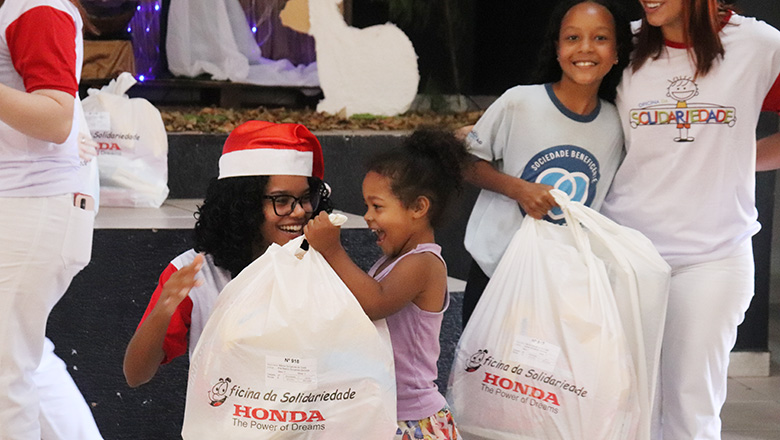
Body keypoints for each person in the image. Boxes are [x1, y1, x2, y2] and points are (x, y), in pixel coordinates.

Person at [599, 1, 780, 438]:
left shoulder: (757, 44)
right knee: (621, 409)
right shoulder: (625, 44)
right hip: (626, 255)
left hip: (712, 259)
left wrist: (736, 158)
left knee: (689, 409)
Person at [459, 0, 633, 326]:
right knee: (479, 371)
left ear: (618, 51)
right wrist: (518, 189)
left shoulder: (616, 123)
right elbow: (466, 162)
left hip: (562, 283)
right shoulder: (520, 102)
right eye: (572, 38)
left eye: (600, 38)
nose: (585, 48)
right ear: (557, 48)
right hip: (496, 268)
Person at [123, 120, 331, 387]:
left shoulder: (324, 259)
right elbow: (136, 374)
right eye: (281, 201)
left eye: (307, 198)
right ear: (243, 206)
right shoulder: (195, 274)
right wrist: (164, 310)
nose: (300, 211)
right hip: (224, 425)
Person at [305, 127, 470, 440]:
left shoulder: (423, 264)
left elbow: (375, 303)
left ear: (419, 208)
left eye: (377, 206)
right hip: (382, 409)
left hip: (412, 418)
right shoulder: (392, 261)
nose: (367, 216)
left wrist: (332, 249)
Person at [0, 0, 97, 438]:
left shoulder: (36, 7)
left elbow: (56, 118)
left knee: (7, 371)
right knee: (23, 358)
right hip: (31, 204)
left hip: (33, 205)